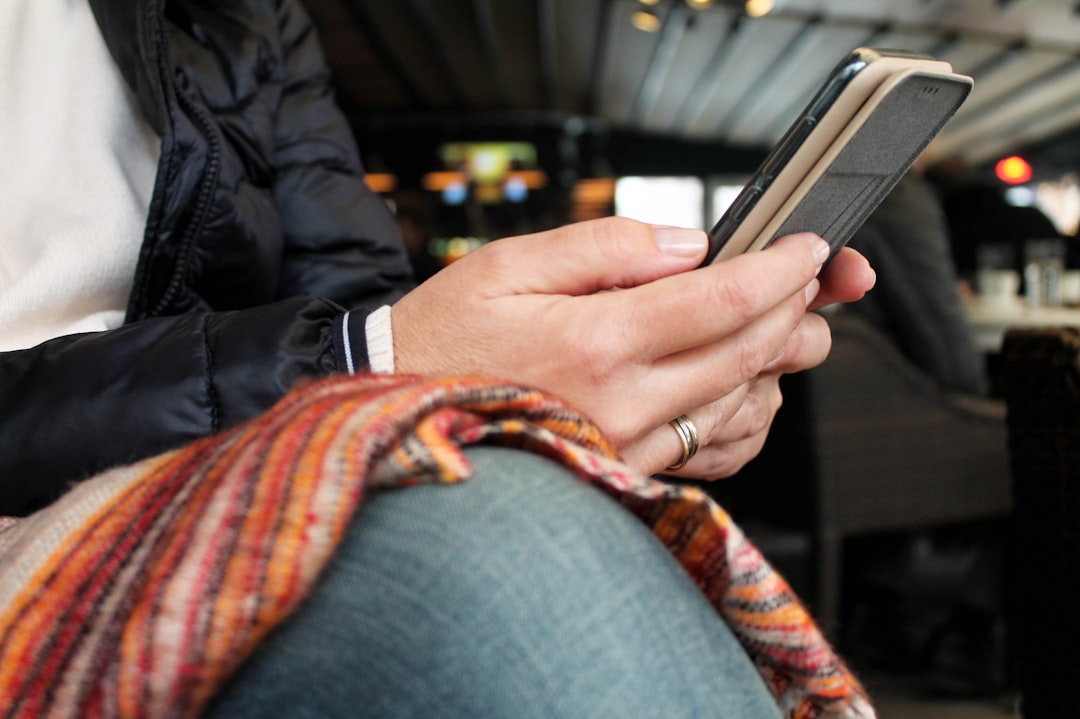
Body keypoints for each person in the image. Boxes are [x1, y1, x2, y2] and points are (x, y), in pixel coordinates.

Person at [0, 1, 876, 717]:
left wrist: (623, 368)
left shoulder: (248, 14)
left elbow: (355, 289)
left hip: (192, 470)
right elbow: (369, 337)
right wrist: (377, 366)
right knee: (507, 547)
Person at [844, 169, 988, 395]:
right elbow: (951, 359)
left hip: (842, 391)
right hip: (892, 401)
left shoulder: (823, 179)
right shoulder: (895, 195)